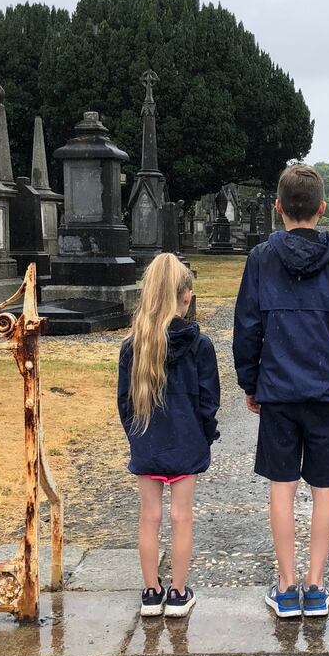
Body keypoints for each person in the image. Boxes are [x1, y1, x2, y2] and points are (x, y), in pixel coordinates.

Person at [233, 164, 329, 618]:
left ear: (278, 207)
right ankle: (315, 583)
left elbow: (247, 327)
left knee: (282, 486)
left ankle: (287, 585)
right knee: (324, 488)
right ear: (321, 208)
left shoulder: (260, 259)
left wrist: (251, 381)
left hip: (279, 388)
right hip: (326, 388)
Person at [117, 253, 220, 618]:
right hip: (187, 441)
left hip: (148, 439)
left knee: (149, 518)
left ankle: (150, 591)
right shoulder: (200, 346)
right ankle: (177, 592)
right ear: (186, 295)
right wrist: (205, 436)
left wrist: (136, 438)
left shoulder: (132, 346)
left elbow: (125, 402)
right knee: (181, 517)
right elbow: (209, 401)